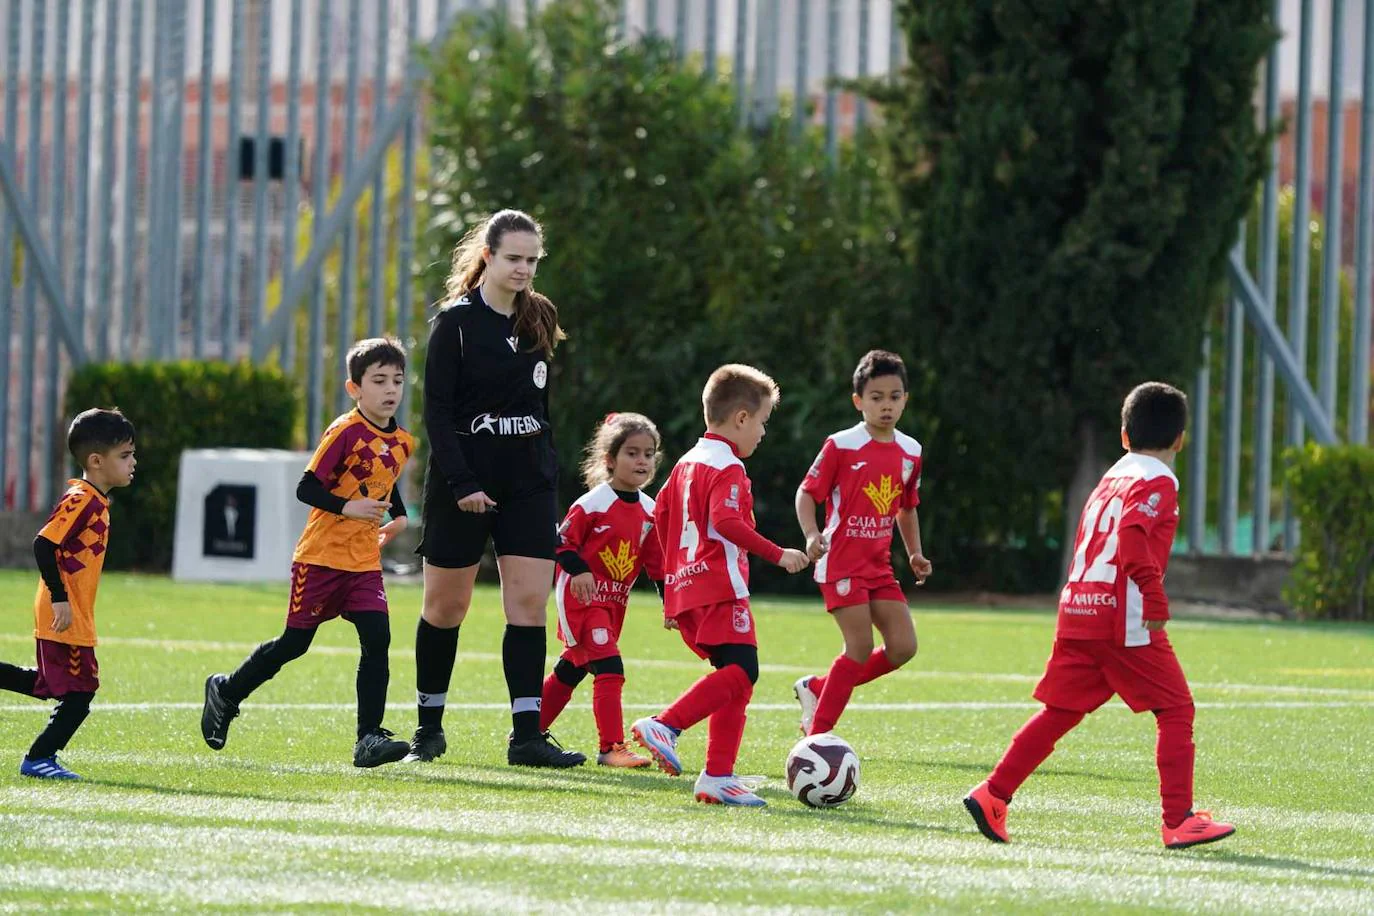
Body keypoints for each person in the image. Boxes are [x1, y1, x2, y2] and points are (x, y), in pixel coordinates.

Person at [962, 382, 1237, 849]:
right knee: (1176, 709)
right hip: (1120, 618)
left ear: (1124, 435)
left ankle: (993, 793)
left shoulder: (1112, 476)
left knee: (1059, 713)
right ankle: (1178, 820)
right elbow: (1131, 538)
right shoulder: (1159, 479)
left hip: (1078, 607)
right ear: (1180, 440)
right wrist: (1153, 597)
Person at [409, 209, 583, 768]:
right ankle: (427, 729)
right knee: (446, 606)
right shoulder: (455, 324)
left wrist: (546, 473)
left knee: (529, 604)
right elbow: (435, 412)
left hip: (528, 483)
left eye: (533, 260)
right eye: (514, 258)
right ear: (487, 256)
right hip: (464, 483)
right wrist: (462, 482)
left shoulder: (539, 316)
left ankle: (527, 736)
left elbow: (539, 409)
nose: (524, 269)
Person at [201, 338, 414, 768]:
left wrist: (400, 516)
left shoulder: (403, 442)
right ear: (354, 389)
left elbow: (382, 482)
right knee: (295, 643)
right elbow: (307, 487)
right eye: (378, 381)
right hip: (320, 557)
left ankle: (368, 738)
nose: (390, 389)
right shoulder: (344, 431)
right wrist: (348, 507)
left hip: (363, 562)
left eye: (397, 380)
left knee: (378, 638)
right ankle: (226, 690)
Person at [630, 364, 811, 807]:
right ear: (742, 419)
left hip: (689, 588)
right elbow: (725, 522)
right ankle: (667, 725)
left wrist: (671, 593)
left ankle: (717, 776)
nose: (763, 433)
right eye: (763, 422)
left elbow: (661, 524)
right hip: (718, 585)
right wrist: (778, 553)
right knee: (743, 671)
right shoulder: (727, 467)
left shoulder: (687, 463)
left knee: (736, 677)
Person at [793, 350, 931, 737]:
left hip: (879, 566)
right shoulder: (841, 445)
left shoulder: (911, 451)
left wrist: (915, 553)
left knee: (903, 647)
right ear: (858, 401)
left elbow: (906, 508)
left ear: (905, 398)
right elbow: (806, 493)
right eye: (876, 397)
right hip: (840, 562)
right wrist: (810, 534)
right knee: (858, 646)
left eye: (894, 396)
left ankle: (818, 689)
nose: (886, 405)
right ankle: (817, 737)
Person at [0, 408, 136, 779]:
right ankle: (40, 757)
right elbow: (43, 544)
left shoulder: (95, 499)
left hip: (71, 611)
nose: (133, 462)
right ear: (96, 461)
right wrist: (60, 598)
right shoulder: (81, 499)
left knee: (50, 684)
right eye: (125, 456)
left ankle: (41, 757)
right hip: (64, 611)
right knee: (80, 691)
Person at [539, 412, 665, 768]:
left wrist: (670, 603)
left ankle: (528, 731)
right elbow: (561, 543)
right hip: (581, 600)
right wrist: (578, 571)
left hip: (613, 603)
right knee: (611, 668)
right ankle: (612, 748)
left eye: (648, 453)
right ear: (610, 460)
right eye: (632, 453)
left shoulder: (649, 511)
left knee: (573, 668)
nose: (642, 461)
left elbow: (657, 565)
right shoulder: (592, 503)